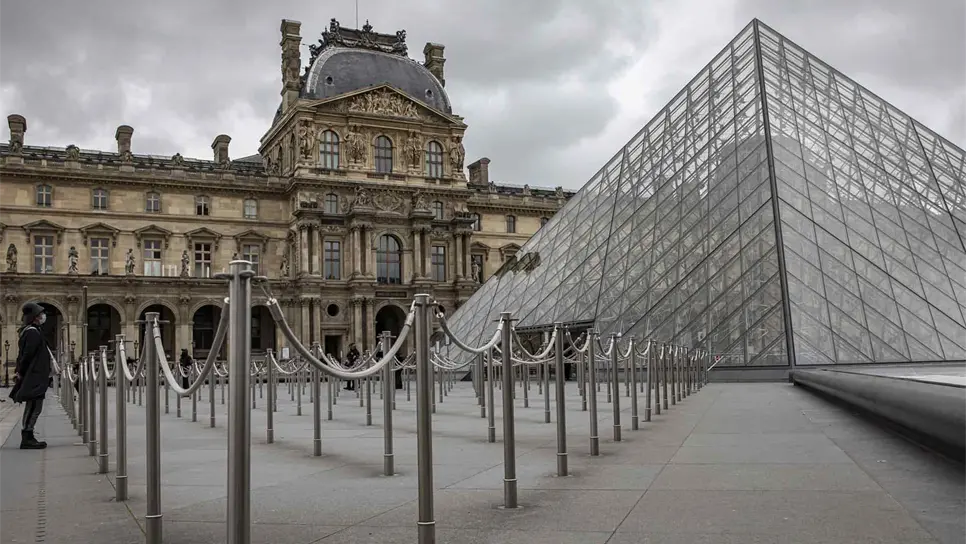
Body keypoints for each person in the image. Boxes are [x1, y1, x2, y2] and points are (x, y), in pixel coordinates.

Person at [11, 302, 52, 449]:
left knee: (35, 405)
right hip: (34, 375)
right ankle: (27, 436)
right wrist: (21, 372)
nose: (43, 316)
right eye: (41, 314)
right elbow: (27, 355)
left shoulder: (32, 331)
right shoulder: (32, 332)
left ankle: (29, 434)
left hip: (35, 374)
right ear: (35, 317)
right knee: (34, 406)